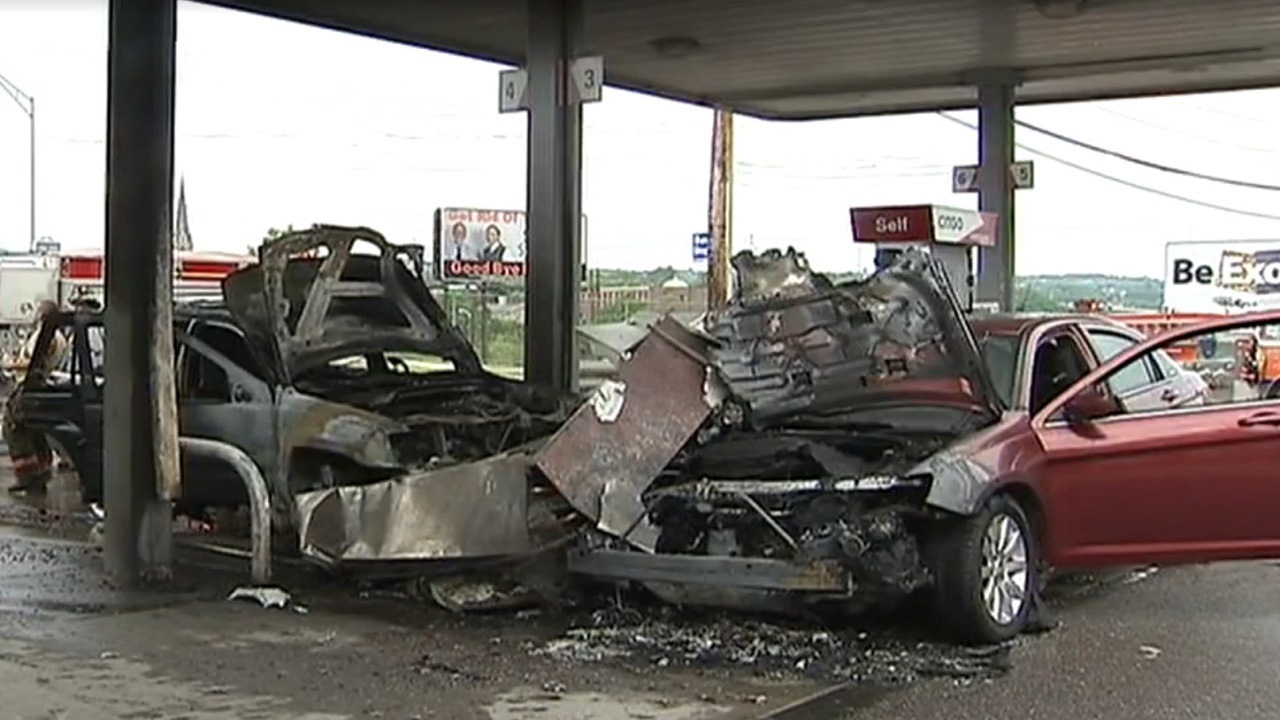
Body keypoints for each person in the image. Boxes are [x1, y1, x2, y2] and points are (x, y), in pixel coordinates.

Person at [3, 300, 69, 494]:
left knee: (13, 427)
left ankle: (28, 476)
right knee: (35, 430)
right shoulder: (56, 337)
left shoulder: (48, 337)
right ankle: (40, 472)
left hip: (30, 384)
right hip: (37, 383)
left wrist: (12, 364)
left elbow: (35, 361)